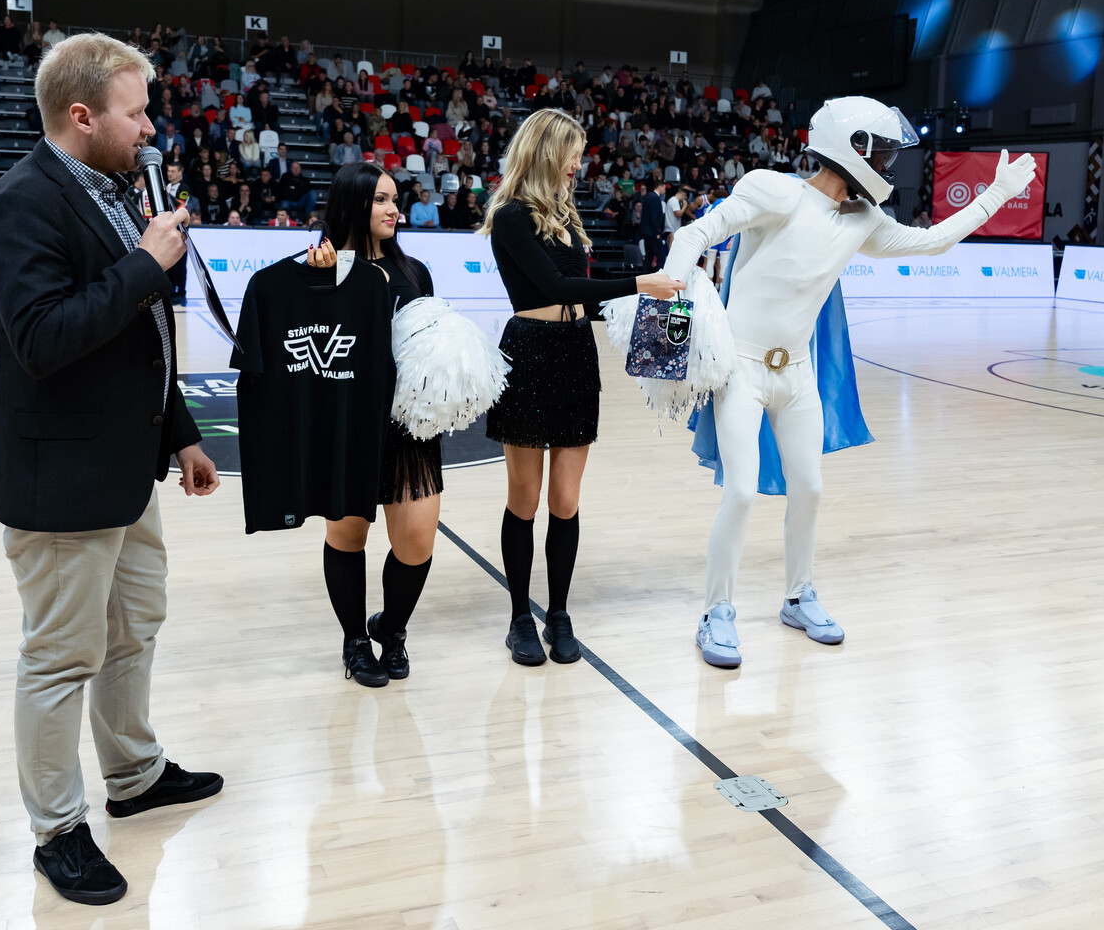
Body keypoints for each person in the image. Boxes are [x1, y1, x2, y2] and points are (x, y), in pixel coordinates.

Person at [0, 33, 223, 906]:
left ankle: (135, 774)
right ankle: (58, 831)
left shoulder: (112, 193)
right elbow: (42, 340)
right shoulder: (20, 204)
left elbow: (138, 340)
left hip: (126, 466)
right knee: (59, 657)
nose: (150, 129)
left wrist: (183, 434)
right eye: (136, 112)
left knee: (134, 627)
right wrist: (146, 263)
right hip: (62, 480)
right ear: (82, 116)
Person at [665, 97, 1037, 669]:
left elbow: (932, 241)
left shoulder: (862, 219)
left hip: (797, 373)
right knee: (740, 492)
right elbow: (696, 234)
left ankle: (798, 597)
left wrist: (997, 194)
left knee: (809, 490)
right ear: (852, 147)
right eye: (883, 153)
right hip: (740, 368)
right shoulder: (776, 191)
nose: (888, 164)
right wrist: (672, 299)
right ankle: (716, 611)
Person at [478, 109, 683, 666]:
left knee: (565, 501)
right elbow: (554, 284)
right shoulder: (511, 215)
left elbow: (580, 295)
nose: (578, 162)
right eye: (573, 151)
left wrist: (649, 310)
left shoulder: (566, 213)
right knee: (524, 500)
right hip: (529, 352)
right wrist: (639, 284)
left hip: (575, 352)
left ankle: (559, 612)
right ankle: (520, 617)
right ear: (547, 149)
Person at [305, 163, 443, 686]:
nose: (394, 209)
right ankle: (355, 641)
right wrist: (326, 284)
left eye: (395, 199)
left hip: (409, 428)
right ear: (353, 203)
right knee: (347, 537)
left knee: (417, 543)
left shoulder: (416, 271)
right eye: (381, 199)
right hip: (347, 425)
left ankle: (392, 628)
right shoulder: (321, 267)